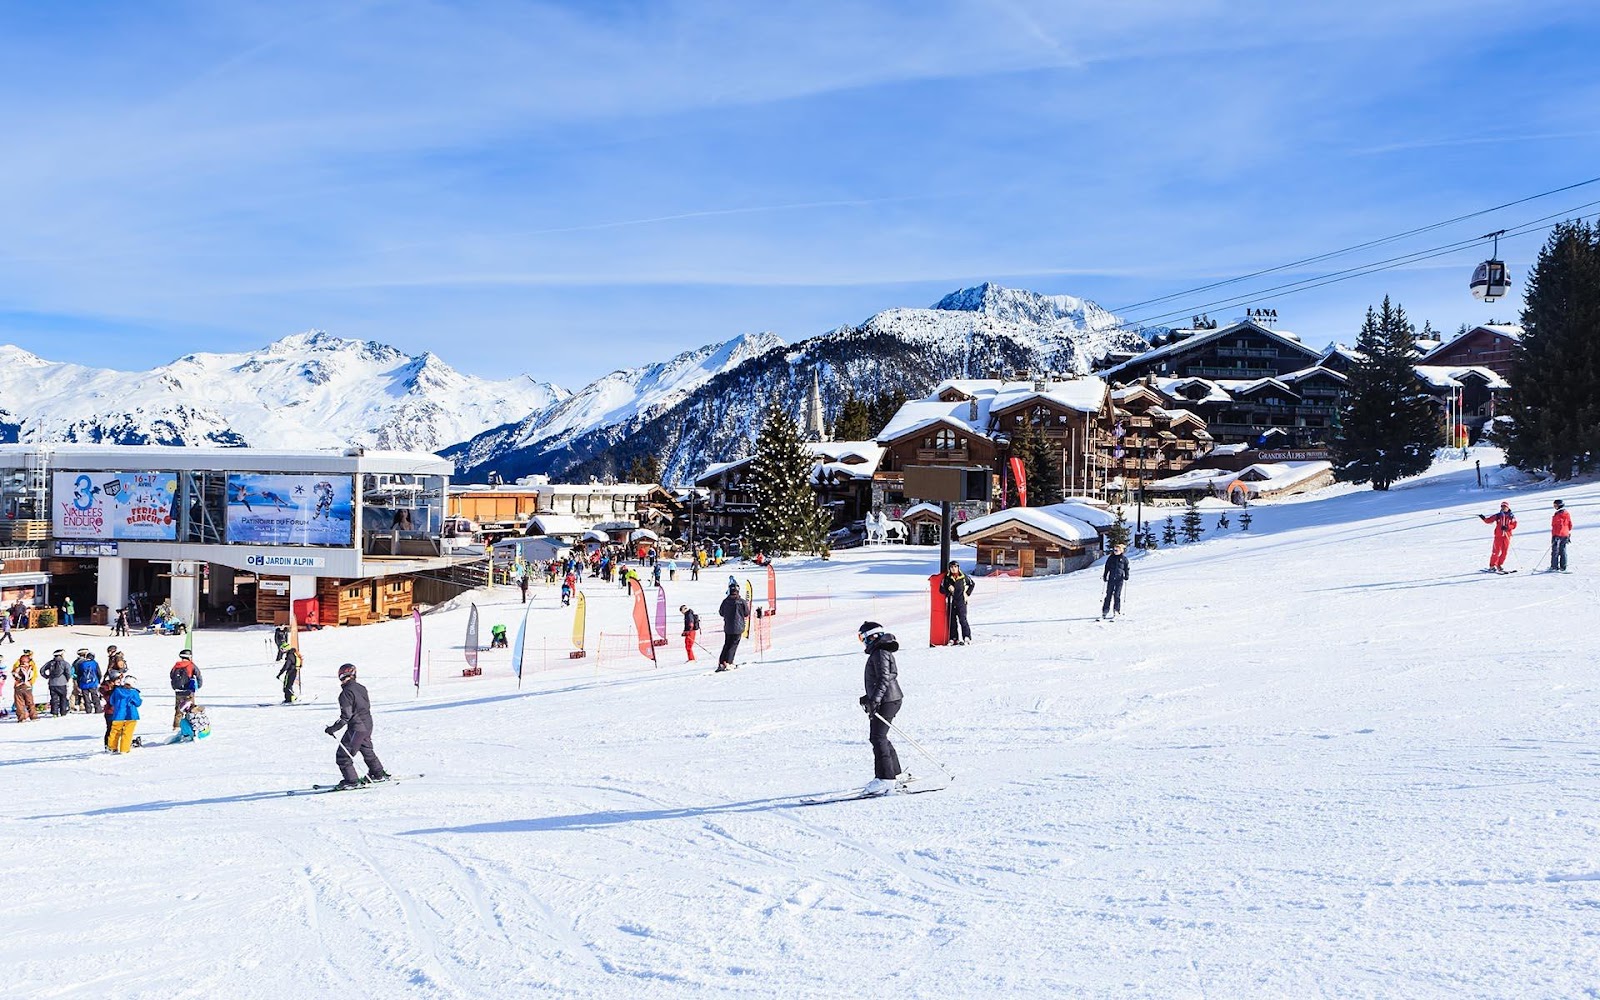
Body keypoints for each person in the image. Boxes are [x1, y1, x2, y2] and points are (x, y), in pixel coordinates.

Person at [857, 621, 905, 796]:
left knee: (877, 738)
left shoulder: (880, 653)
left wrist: (875, 700)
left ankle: (885, 779)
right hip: (889, 699)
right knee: (881, 736)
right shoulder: (880, 652)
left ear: (873, 636)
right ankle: (895, 774)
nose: (863, 642)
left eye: (863, 637)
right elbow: (882, 679)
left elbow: (884, 678)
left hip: (887, 700)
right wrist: (869, 697)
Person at [324, 663, 389, 790]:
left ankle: (351, 781)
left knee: (343, 756)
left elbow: (346, 716)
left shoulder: (345, 693)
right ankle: (378, 773)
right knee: (366, 750)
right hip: (367, 724)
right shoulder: (361, 688)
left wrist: (333, 729)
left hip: (357, 728)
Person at [716, 582, 749, 673]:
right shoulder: (741, 601)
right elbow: (747, 613)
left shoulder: (725, 601)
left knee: (727, 644)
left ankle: (722, 661)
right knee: (733, 645)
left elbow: (721, 612)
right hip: (738, 627)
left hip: (728, 626)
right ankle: (729, 662)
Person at [939, 561, 975, 645]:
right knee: (952, 620)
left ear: (958, 567)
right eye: (951, 567)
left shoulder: (963, 577)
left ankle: (966, 637)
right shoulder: (947, 578)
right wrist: (948, 589)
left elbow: (972, 584)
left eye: (955, 567)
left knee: (962, 619)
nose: (953, 569)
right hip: (951, 601)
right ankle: (953, 638)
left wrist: (967, 593)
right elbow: (941, 589)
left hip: (961, 601)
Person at [107, 672, 141, 754]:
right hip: (131, 715)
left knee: (114, 732)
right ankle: (124, 749)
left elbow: (111, 701)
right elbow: (138, 703)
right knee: (127, 733)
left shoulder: (117, 691)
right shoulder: (134, 692)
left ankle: (112, 748)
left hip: (118, 715)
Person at [1479, 501, 1518, 573]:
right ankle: (1492, 566)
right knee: (1496, 552)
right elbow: (1489, 521)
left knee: (1504, 552)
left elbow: (1514, 525)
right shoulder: (1498, 515)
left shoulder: (1511, 516)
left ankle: (1499, 565)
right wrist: (1483, 518)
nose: (1503, 508)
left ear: (1508, 507)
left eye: (1505, 506)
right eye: (1502, 506)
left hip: (1506, 536)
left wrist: (1507, 527)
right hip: (1498, 536)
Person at [169, 650, 202, 730]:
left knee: (178, 709)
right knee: (190, 708)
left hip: (178, 691)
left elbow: (171, 675)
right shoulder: (191, 665)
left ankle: (176, 726)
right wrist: (199, 685)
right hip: (189, 690)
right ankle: (191, 726)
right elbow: (198, 675)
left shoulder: (176, 665)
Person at [1101, 544, 1131, 620]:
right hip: (1111, 578)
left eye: (1116, 550)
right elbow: (1107, 567)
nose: (1115, 551)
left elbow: (1126, 568)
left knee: (1117, 595)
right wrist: (1105, 575)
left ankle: (1116, 610)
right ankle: (1105, 611)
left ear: (1121, 551)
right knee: (1108, 595)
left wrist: (1126, 575)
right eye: (1114, 550)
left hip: (1119, 579)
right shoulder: (1111, 558)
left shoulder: (1124, 559)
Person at [44, 649, 73, 716]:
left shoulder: (50, 663)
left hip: (52, 683)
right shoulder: (65, 663)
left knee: (54, 698)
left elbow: (42, 670)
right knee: (63, 698)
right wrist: (67, 679)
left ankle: (54, 713)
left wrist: (47, 676)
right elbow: (69, 672)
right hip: (62, 683)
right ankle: (63, 712)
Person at [10, 653, 36, 722]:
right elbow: (32, 676)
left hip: (19, 687)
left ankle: (22, 718)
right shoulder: (31, 668)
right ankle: (33, 716)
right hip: (27, 687)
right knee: (30, 702)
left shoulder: (17, 668)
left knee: (19, 704)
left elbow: (14, 674)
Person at [76, 651, 103, 715]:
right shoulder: (95, 663)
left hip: (84, 683)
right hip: (93, 682)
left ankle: (88, 709)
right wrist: (98, 680)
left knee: (86, 697)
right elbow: (99, 673)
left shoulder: (81, 664)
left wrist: (79, 682)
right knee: (95, 696)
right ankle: (98, 709)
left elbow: (79, 674)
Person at [1551, 499, 1572, 572]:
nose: (1554, 507)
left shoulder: (1559, 514)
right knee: (1562, 550)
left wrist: (1557, 535)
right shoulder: (1566, 513)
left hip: (1558, 535)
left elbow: (1559, 525)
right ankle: (1563, 567)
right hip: (1565, 534)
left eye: (1555, 505)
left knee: (1555, 551)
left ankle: (1554, 567)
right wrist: (1568, 533)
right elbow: (1570, 524)